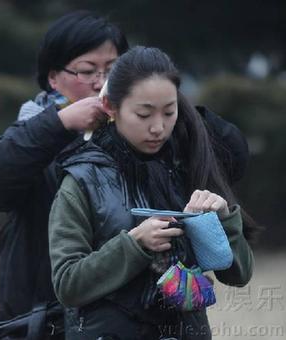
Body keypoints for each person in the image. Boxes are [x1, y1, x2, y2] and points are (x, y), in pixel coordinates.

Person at [0, 9, 249, 329]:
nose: (101, 81)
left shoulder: (156, 136)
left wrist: (164, 102)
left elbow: (234, 157)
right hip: (45, 315)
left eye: (113, 68)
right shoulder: (35, 128)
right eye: (87, 70)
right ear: (53, 78)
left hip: (152, 318)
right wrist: (60, 123)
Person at [48, 46, 256, 340]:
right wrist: (135, 244)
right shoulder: (81, 180)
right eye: (143, 114)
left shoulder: (186, 165)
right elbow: (68, 285)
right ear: (110, 106)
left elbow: (238, 275)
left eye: (169, 112)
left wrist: (223, 220)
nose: (158, 127)